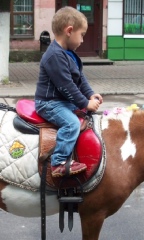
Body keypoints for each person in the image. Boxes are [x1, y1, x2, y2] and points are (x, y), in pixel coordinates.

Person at [35, 7, 103, 177]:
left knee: (85, 116)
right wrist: (85, 103)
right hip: (49, 103)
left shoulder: (69, 54)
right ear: (69, 31)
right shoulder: (54, 56)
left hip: (61, 100)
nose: (82, 40)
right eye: (81, 35)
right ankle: (58, 162)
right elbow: (67, 86)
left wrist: (89, 94)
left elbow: (80, 78)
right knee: (72, 123)